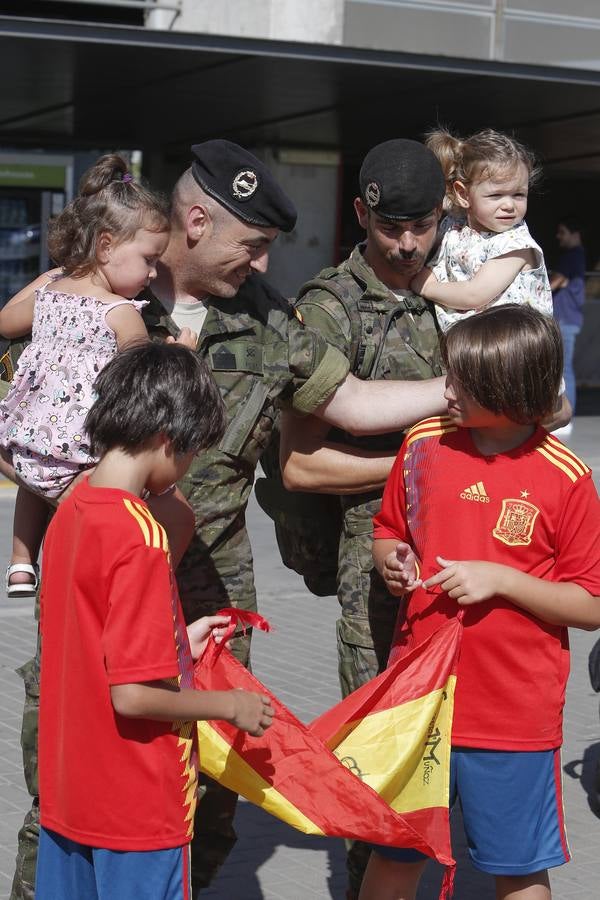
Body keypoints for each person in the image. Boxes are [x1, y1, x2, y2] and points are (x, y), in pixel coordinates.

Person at [10, 140, 449, 900]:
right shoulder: (93, 295)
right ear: (195, 221)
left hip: (207, 593)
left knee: (207, 803)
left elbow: (349, 404)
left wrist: (462, 391)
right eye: (251, 245)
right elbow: (22, 424)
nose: (261, 264)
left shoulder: (270, 321)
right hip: (98, 587)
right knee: (63, 796)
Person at [364, 304, 600, 900]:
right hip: (418, 704)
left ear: (509, 388)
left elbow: (591, 603)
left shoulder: (566, 477)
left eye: (458, 381)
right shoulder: (423, 445)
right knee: (396, 856)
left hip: (512, 715)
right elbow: (389, 528)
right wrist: (391, 560)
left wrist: (502, 580)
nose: (444, 391)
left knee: (517, 867)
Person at [35, 341, 275, 900]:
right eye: (191, 456)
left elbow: (91, 640)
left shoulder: (73, 509)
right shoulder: (141, 535)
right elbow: (134, 697)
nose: (186, 470)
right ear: (169, 438)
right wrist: (229, 705)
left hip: (71, 793)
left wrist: (175, 641)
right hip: (137, 805)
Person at [280, 138, 446, 899]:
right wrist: (417, 468)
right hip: (373, 570)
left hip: (461, 559)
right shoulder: (329, 307)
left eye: (424, 227)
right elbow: (301, 465)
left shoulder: (452, 292)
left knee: (446, 753)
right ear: (361, 215)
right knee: (381, 761)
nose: (408, 246)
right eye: (392, 230)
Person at [0, 154, 196, 601]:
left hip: (28, 445)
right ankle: (153, 587)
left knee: (32, 493)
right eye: (149, 260)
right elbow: (139, 380)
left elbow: (6, 322)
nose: (151, 274)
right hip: (82, 456)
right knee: (178, 516)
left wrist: (55, 275)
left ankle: (19, 563)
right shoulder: (120, 312)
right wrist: (178, 357)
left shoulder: (49, 293)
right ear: (105, 247)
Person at [410, 128, 552, 332]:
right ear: (463, 194)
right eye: (496, 195)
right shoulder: (453, 227)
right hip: (466, 346)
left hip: (509, 348)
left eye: (518, 195)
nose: (509, 205)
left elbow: (474, 295)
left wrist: (427, 286)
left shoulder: (516, 244)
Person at [550, 216, 586, 436]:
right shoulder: (576, 256)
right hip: (568, 320)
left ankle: (565, 417)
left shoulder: (572, 256)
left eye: (562, 232)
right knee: (564, 368)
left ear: (575, 234)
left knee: (564, 369)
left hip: (565, 320)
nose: (559, 237)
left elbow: (556, 282)